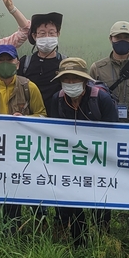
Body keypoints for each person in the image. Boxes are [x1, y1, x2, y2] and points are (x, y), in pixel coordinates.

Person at [0, 44, 47, 225]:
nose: (5, 64)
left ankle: (36, 228)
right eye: (0, 60)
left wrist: (26, 119)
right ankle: (4, 229)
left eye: (9, 60)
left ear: (17, 63)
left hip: (22, 151)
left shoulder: (29, 88)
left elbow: (43, 115)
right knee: (0, 193)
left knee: (26, 189)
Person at [49, 57, 118, 246]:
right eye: (67, 80)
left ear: (85, 80)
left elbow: (113, 132)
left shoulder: (101, 98)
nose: (71, 84)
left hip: (98, 158)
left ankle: (102, 237)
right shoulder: (58, 99)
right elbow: (54, 131)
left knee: (100, 199)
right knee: (72, 198)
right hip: (71, 160)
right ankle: (78, 239)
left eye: (75, 79)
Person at [89, 21, 129, 123]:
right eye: (118, 37)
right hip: (105, 123)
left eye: (127, 38)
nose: (122, 41)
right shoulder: (97, 68)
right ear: (111, 39)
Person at [17, 12, 64, 114]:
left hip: (58, 119)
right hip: (30, 119)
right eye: (42, 33)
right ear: (34, 36)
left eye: (51, 33)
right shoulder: (25, 63)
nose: (47, 37)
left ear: (58, 34)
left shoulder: (65, 64)